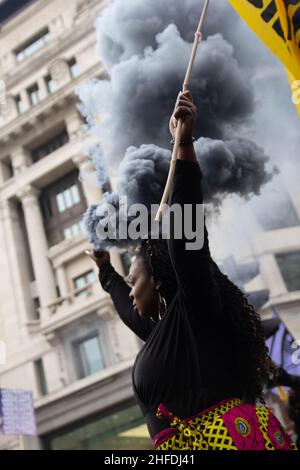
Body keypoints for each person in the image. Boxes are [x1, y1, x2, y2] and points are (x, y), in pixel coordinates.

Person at [87, 91, 296, 450]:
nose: (132, 292)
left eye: (135, 281)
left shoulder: (196, 308)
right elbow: (128, 307)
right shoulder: (166, 330)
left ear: (157, 281)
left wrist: (183, 146)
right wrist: (107, 273)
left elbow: (187, 242)